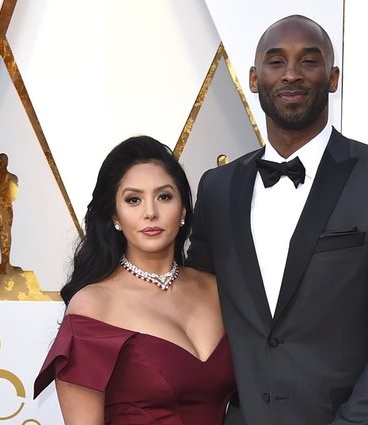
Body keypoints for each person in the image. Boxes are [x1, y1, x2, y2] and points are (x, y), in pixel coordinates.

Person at [186, 15, 368, 424]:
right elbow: (192, 304)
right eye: (275, 61)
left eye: (309, 61)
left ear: (333, 77)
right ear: (253, 78)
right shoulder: (217, 190)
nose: (291, 74)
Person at [33, 136, 235, 424]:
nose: (150, 212)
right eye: (133, 199)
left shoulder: (217, 289)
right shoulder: (93, 305)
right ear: (115, 216)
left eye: (164, 196)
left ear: (183, 211)